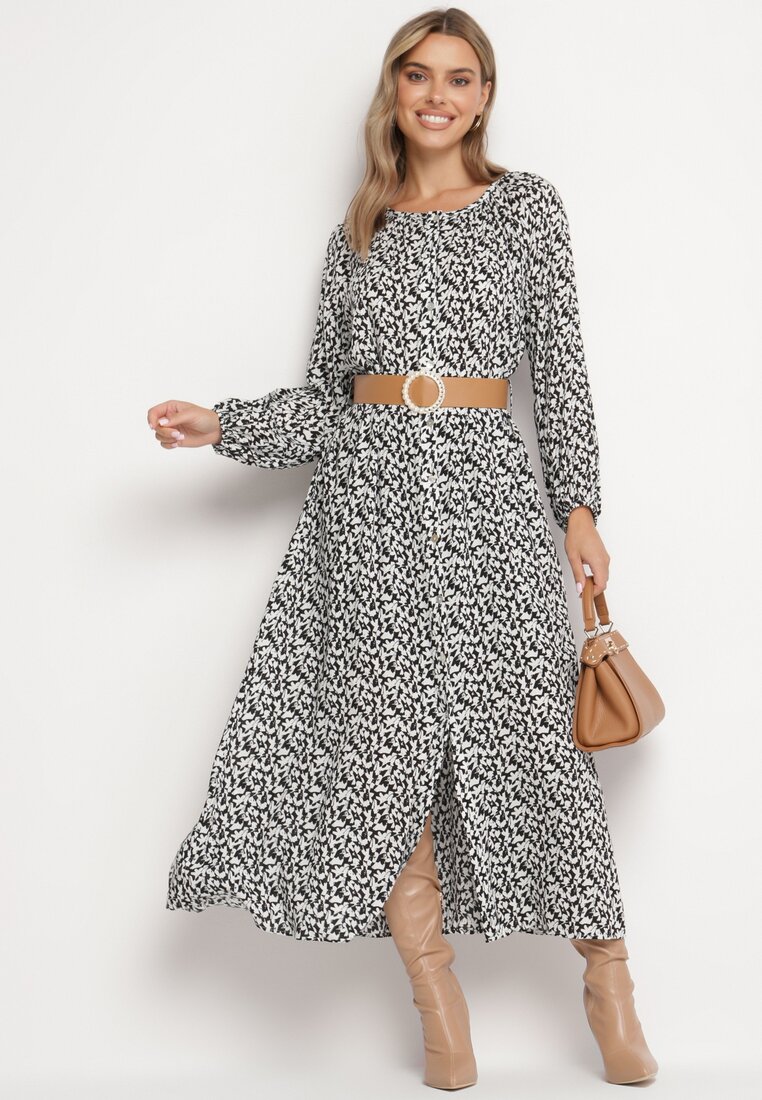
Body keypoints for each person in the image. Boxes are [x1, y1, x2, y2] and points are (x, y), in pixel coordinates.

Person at [147, 7, 658, 1090]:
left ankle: (609, 983)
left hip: (489, 507)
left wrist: (579, 507)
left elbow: (560, 368)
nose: (437, 95)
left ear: (484, 97)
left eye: (459, 78)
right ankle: (438, 1007)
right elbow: (326, 402)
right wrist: (223, 423)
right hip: (367, 517)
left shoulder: (528, 209)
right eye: (418, 75)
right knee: (385, 762)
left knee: (536, 746)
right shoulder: (361, 229)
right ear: (395, 91)